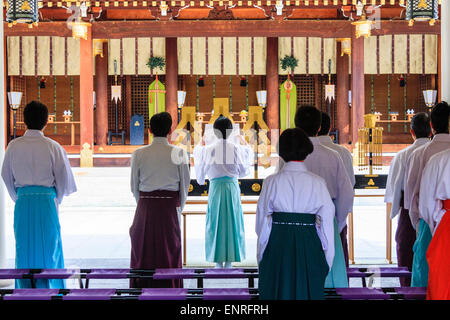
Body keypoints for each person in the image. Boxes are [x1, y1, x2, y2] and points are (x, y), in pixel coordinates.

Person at [1, 101, 76, 289]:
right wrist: (55, 197)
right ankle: (52, 289)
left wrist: (19, 196)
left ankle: (25, 290)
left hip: (24, 202)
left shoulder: (14, 146)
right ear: (46, 122)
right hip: (46, 202)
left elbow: (6, 176)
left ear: (24, 121)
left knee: (24, 248)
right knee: (50, 247)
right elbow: (64, 180)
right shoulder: (53, 146)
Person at [277, 106, 353, 288]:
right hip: (329, 217)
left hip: (294, 221)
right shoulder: (334, 155)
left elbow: (279, 192)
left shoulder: (287, 157)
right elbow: (346, 192)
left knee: (299, 277)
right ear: (319, 127)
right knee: (328, 277)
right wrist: (338, 221)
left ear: (296, 125)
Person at [256, 128, 335, 300]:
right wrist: (327, 260)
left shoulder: (271, 182)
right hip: (309, 244)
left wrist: (262, 255)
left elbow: (262, 223)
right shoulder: (318, 183)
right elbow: (327, 225)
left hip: (277, 245)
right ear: (306, 151)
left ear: (281, 151)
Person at [129, 112, 190, 288]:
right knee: (169, 249)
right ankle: (169, 288)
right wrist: (178, 208)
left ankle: (143, 288)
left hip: (146, 207)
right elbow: (184, 186)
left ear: (149, 130)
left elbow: (134, 186)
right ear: (170, 131)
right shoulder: (179, 153)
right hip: (169, 207)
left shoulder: (138, 154)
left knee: (143, 249)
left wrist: (144, 203)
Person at [193, 115, 252, 268]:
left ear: (215, 131)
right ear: (231, 131)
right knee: (233, 220)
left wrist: (202, 141)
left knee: (215, 221)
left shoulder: (208, 149)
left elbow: (199, 165)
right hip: (232, 187)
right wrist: (243, 141)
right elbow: (244, 169)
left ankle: (217, 259)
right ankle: (230, 260)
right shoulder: (236, 148)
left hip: (216, 188)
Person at [404, 101, 450, 287]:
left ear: (431, 126)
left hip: (429, 222)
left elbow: (413, 196)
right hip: (439, 219)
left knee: (427, 280)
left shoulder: (422, 154)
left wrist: (423, 225)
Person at [384, 113, 431, 286]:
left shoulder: (403, 155)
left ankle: (407, 287)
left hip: (408, 206)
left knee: (406, 248)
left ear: (412, 131)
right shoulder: (438, 152)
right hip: (436, 209)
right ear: (430, 130)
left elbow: (394, 187)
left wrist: (395, 207)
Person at [318, 111, 355, 268]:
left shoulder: (301, 153)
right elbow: (349, 188)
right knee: (337, 261)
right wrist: (340, 221)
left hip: (305, 216)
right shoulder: (343, 153)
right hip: (335, 211)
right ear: (329, 127)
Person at [418, 149, 450, 300]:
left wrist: (439, 226)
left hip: (447, 226)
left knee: (443, 285)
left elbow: (427, 207)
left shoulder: (439, 159)